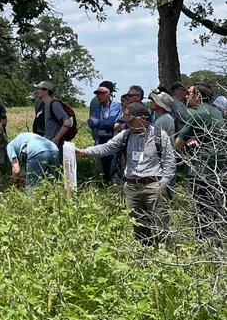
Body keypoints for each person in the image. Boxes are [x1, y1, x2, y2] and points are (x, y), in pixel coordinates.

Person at [77, 102, 176, 244]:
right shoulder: (126, 135)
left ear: (142, 118)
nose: (128, 124)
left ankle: (168, 258)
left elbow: (169, 162)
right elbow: (107, 147)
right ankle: (145, 256)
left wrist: (163, 184)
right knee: (138, 227)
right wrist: (84, 152)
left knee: (161, 226)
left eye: (131, 121)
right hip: (131, 187)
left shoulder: (160, 135)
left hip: (154, 186)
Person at [176, 83, 227, 244]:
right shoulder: (215, 112)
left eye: (189, 93)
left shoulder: (199, 114)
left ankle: (205, 247)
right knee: (217, 211)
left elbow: (178, 142)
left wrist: (187, 143)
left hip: (202, 171)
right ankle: (216, 244)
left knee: (202, 213)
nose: (186, 96)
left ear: (198, 95)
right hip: (219, 170)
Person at [86, 81, 122, 184]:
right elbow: (91, 123)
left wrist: (99, 122)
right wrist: (103, 123)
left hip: (112, 138)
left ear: (109, 94)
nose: (99, 96)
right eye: (97, 93)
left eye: (102, 93)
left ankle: (114, 183)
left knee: (114, 162)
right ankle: (106, 183)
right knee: (104, 163)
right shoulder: (97, 108)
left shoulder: (115, 106)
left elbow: (110, 122)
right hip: (101, 138)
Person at [34, 81, 74, 148]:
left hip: (55, 144)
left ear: (46, 91)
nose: (36, 91)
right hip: (49, 143)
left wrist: (56, 138)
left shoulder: (55, 105)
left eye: (39, 89)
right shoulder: (45, 105)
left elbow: (67, 122)